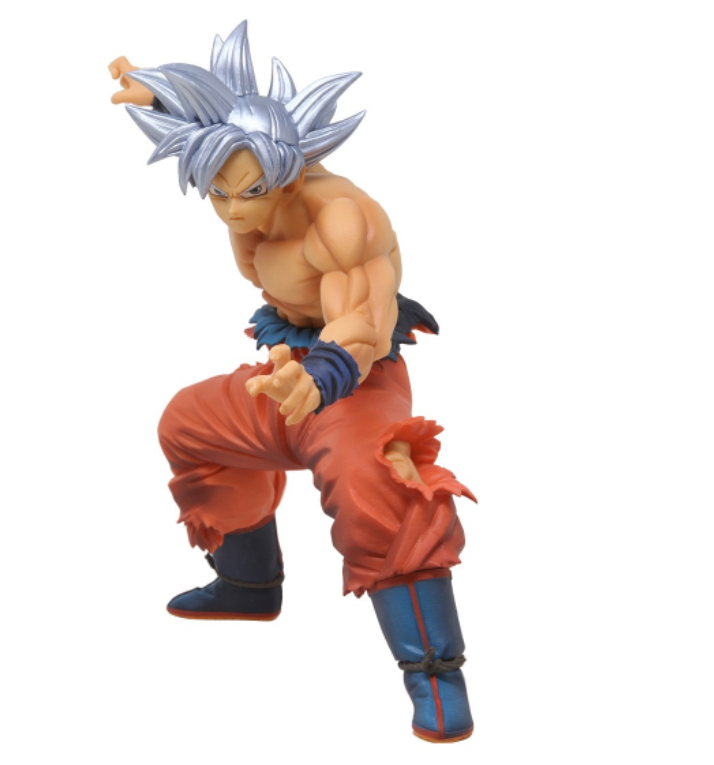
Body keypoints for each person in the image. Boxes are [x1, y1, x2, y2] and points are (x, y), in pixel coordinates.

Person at [110, 21, 476, 743]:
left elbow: (364, 317)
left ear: (287, 168)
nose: (233, 208)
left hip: (358, 378)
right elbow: (227, 110)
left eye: (248, 191)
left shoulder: (340, 220)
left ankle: (435, 672)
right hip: (288, 367)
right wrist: (163, 90)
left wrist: (326, 376)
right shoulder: (239, 168)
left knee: (379, 485)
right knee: (189, 422)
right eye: (218, 193)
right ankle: (248, 582)